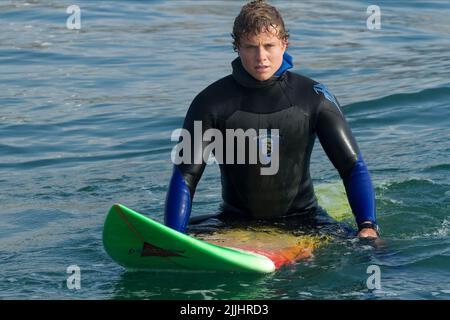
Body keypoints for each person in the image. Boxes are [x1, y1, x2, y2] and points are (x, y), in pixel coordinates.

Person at [164, 0, 379, 239]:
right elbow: (185, 175)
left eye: (269, 45)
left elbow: (352, 167)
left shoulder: (314, 97)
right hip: (235, 222)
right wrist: (174, 237)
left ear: (284, 44)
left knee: (371, 251)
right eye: (250, 47)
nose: (261, 57)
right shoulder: (210, 102)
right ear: (237, 47)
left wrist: (367, 226)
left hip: (304, 221)